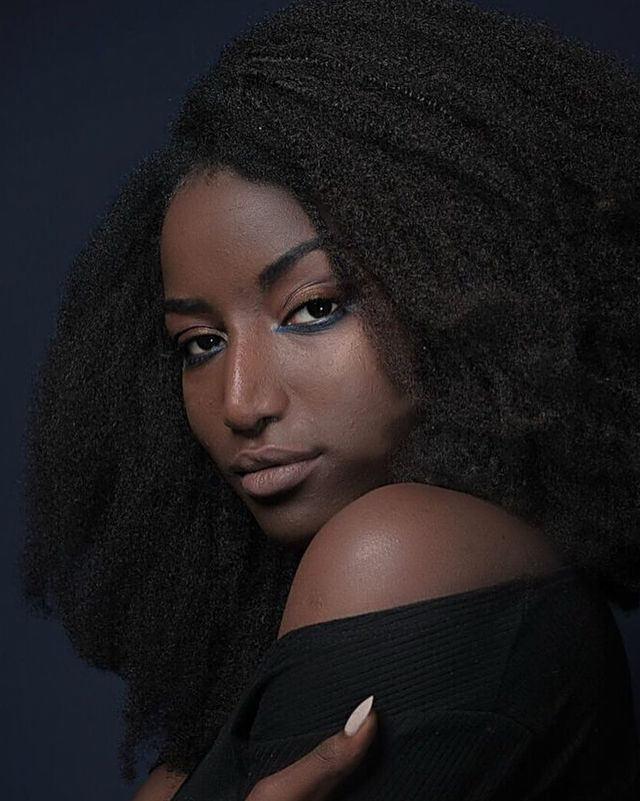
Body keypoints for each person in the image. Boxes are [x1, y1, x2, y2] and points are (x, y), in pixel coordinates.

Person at [21, 0, 640, 798]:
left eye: (314, 308)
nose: (241, 402)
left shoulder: (398, 549)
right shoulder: (332, 613)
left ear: (462, 285)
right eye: (200, 343)